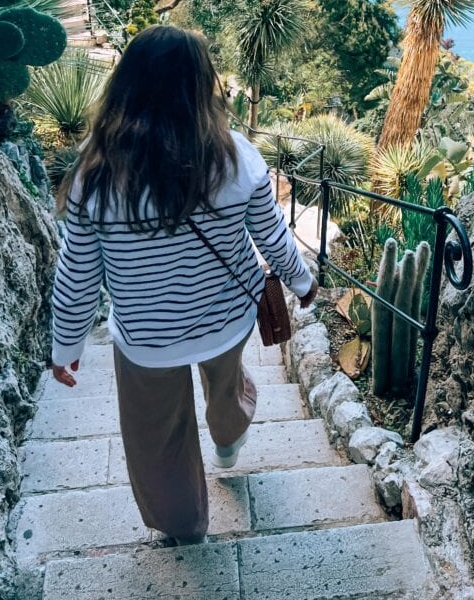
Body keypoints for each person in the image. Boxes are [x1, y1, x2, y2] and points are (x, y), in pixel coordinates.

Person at [52, 27, 319, 545]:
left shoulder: (96, 172)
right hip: (225, 321)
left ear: (126, 85)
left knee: (158, 438)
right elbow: (273, 237)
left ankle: (184, 524)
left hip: (146, 338)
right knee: (225, 388)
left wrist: (67, 345)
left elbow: (77, 271)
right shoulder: (237, 158)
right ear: (202, 87)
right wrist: (302, 282)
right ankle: (228, 436)